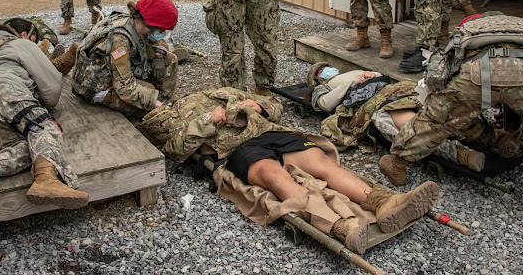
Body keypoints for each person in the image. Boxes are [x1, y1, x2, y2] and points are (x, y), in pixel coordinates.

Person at [138, 86, 439, 254]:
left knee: (321, 163)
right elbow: (175, 152)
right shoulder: (168, 117)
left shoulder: (222, 90)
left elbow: (275, 106)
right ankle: (340, 226)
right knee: (274, 177)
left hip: (269, 133)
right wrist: (208, 122)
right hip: (236, 151)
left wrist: (261, 107)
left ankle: (382, 202)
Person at [381, 12, 523, 217]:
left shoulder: (466, 32)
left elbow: (438, 74)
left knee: (436, 122)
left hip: (475, 73)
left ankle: (397, 165)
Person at [0, 21, 89, 209]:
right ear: (22, 34)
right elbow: (52, 91)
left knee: (35, 143)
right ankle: (46, 180)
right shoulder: (19, 44)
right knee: (46, 128)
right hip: (6, 93)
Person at [306, 62, 493, 179]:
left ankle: (486, 135)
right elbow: (324, 105)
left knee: (438, 106)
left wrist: (371, 74)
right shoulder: (323, 88)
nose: (325, 70)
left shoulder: (353, 71)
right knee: (403, 119)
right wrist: (352, 81)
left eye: (325, 67)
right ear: (318, 80)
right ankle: (459, 153)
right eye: (320, 71)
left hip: (396, 89)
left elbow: (380, 78)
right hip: (371, 101)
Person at [71, 0, 179, 116]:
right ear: (149, 24)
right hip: (96, 87)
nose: (162, 33)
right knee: (148, 97)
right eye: (161, 30)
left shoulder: (136, 23)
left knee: (170, 60)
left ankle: (161, 106)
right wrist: (153, 101)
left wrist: (159, 55)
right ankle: (150, 115)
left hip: (114, 74)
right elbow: (124, 87)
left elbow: (159, 41)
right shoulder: (119, 42)